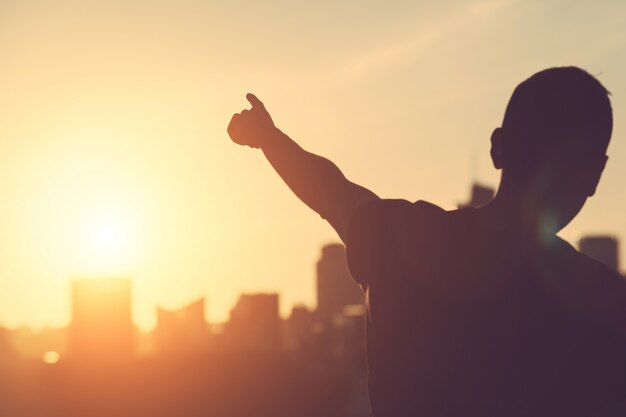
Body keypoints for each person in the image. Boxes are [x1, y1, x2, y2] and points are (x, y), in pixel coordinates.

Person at [227, 67, 626, 417]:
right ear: (594, 174)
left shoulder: (404, 237)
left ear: (497, 146)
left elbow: (328, 189)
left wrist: (268, 138)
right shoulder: (607, 305)